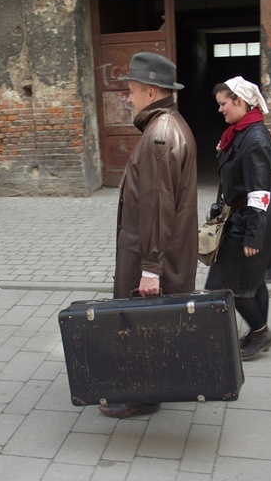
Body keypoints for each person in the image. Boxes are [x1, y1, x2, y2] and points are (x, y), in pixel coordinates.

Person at [99, 52, 198, 418]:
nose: (128, 97)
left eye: (133, 91)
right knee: (150, 324)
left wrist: (151, 268)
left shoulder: (160, 136)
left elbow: (157, 205)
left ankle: (141, 396)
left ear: (151, 93)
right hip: (156, 251)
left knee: (142, 325)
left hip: (152, 253)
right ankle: (149, 389)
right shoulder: (168, 126)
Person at [205, 76, 271, 360]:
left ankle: (260, 332)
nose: (220, 109)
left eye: (223, 104)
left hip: (253, 221)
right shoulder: (239, 131)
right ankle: (260, 332)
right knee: (253, 280)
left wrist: (253, 235)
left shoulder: (254, 138)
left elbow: (260, 192)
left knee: (228, 282)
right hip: (245, 217)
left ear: (239, 101)